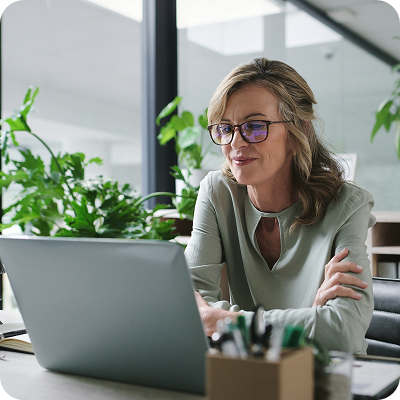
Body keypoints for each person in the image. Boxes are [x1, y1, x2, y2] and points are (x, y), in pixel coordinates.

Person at [185, 58, 375, 354]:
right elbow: (188, 309)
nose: (236, 142)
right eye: (225, 128)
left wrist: (224, 320)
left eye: (255, 126)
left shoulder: (348, 206)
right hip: (249, 377)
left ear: (299, 132)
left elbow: (342, 332)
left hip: (328, 382)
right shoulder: (217, 192)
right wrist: (309, 319)